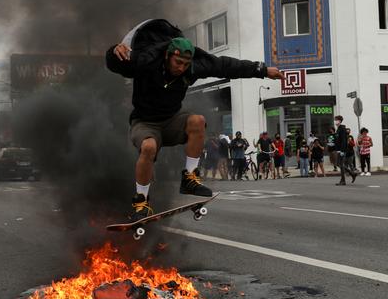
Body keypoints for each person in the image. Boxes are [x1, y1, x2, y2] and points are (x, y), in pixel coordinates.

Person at [106, 20, 282, 220]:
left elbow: (225, 66)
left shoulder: (194, 68)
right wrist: (115, 51)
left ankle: (189, 178)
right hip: (145, 122)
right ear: (167, 56)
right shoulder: (147, 61)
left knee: (198, 120)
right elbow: (116, 63)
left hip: (173, 120)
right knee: (148, 147)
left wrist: (262, 70)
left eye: (185, 64)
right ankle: (141, 203)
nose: (181, 68)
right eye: (177, 63)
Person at [333, 115, 357, 185]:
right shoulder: (338, 129)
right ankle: (352, 173)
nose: (335, 121)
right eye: (335, 120)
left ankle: (343, 180)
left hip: (342, 150)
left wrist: (342, 150)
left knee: (340, 164)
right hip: (339, 150)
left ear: (339, 121)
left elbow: (344, 140)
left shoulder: (342, 128)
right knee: (339, 164)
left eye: (336, 120)